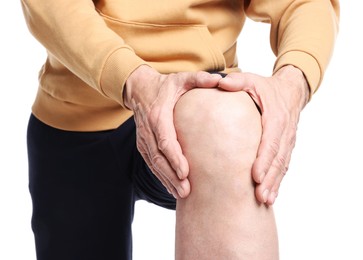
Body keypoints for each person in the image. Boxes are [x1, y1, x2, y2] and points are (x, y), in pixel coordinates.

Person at [21, 0, 340, 259]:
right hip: (78, 112)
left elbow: (304, 4)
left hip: (199, 108)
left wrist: (292, 84)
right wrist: (135, 82)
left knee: (227, 122)